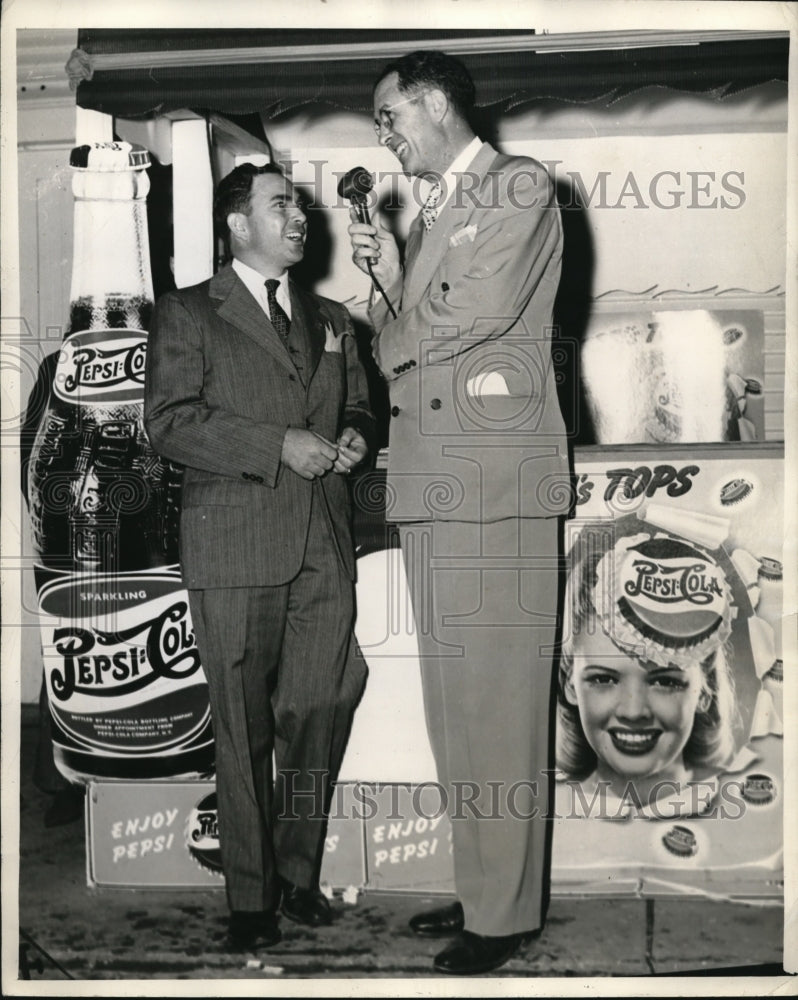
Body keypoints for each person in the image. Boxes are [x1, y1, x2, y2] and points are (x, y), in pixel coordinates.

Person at [347, 51, 571, 975]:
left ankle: (508, 912)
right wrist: (394, 272)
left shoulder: (518, 189)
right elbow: (421, 323)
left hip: (494, 484)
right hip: (442, 481)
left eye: (391, 116)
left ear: (435, 103)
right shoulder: (443, 210)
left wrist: (396, 315)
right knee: (456, 712)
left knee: (500, 708)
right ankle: (486, 887)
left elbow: (457, 319)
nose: (386, 136)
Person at [144, 162, 374, 950]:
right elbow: (170, 422)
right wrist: (277, 443)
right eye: (282, 205)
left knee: (322, 703)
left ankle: (298, 873)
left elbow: (362, 403)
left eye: (301, 206)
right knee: (240, 727)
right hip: (234, 544)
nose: (300, 217)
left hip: (323, 542)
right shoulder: (185, 312)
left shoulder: (332, 315)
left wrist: (356, 436)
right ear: (238, 224)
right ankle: (252, 896)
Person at [557, 519, 739, 817]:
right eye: (603, 678)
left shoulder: (746, 821)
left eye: (664, 682)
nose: (633, 711)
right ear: (570, 684)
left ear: (705, 689)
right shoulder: (541, 819)